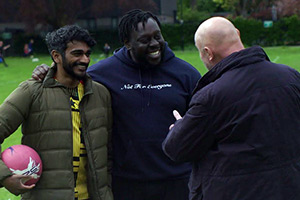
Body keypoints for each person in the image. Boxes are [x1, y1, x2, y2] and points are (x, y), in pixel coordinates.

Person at [32, 9, 201, 200]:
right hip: (126, 183)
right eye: (145, 40)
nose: (154, 44)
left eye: (157, 36)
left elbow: (204, 122)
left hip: (178, 180)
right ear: (127, 43)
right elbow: (66, 82)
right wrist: (47, 71)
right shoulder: (103, 74)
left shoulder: (186, 74)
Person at [162, 16, 300, 200]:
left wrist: (179, 127)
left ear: (208, 52)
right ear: (237, 34)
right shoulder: (291, 77)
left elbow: (176, 148)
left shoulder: (211, 96)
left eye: (200, 53)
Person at [0, 25, 113, 200]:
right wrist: (5, 177)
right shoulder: (31, 91)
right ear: (56, 56)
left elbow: (110, 152)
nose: (84, 59)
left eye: (87, 54)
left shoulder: (100, 94)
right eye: (77, 53)